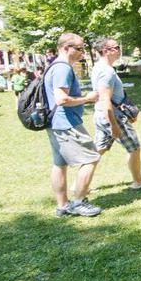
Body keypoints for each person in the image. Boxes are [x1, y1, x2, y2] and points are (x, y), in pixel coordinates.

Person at [44, 33, 102, 217]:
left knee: (60, 164)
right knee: (91, 157)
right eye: (79, 49)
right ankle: (78, 203)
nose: (82, 53)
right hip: (66, 122)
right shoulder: (63, 68)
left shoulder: (54, 66)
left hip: (55, 123)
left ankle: (62, 205)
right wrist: (88, 98)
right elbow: (61, 99)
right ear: (65, 48)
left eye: (83, 49)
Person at [91, 37, 141, 190]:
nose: (119, 50)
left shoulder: (99, 67)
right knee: (134, 147)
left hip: (101, 115)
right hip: (112, 116)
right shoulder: (106, 71)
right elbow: (105, 100)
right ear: (106, 51)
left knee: (98, 150)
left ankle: (80, 186)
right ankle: (138, 182)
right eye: (116, 47)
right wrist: (114, 125)